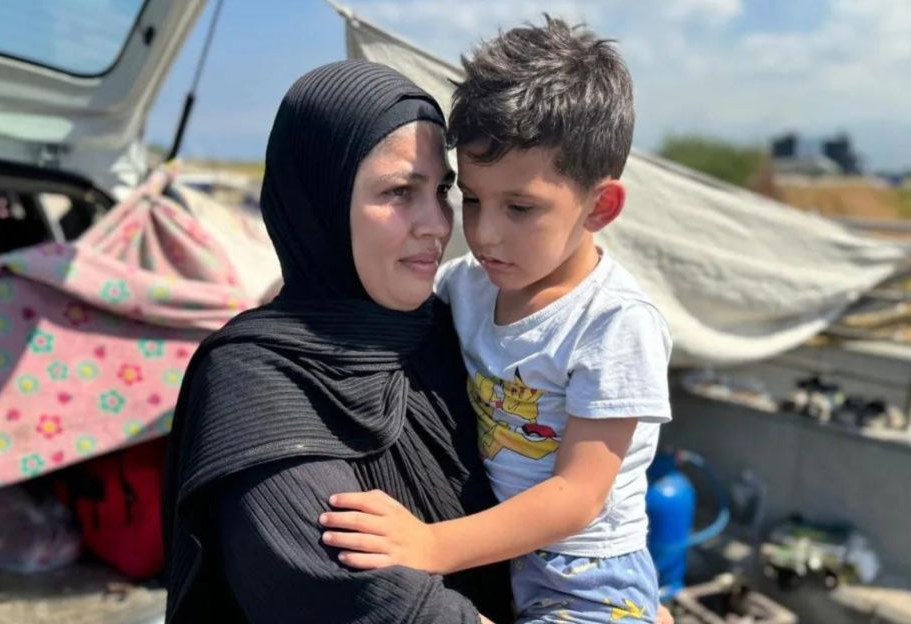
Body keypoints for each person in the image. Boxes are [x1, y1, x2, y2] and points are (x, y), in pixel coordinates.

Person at [321, 18, 673, 623]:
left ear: (600, 206)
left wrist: (432, 545)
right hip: (507, 564)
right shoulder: (468, 285)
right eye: (474, 199)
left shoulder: (613, 323)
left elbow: (577, 497)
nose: (482, 233)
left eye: (520, 207)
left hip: (590, 579)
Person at [161, 60, 512, 623]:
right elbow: (366, 600)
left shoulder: (452, 330)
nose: (438, 225)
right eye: (400, 191)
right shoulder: (253, 381)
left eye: (443, 191)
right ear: (318, 202)